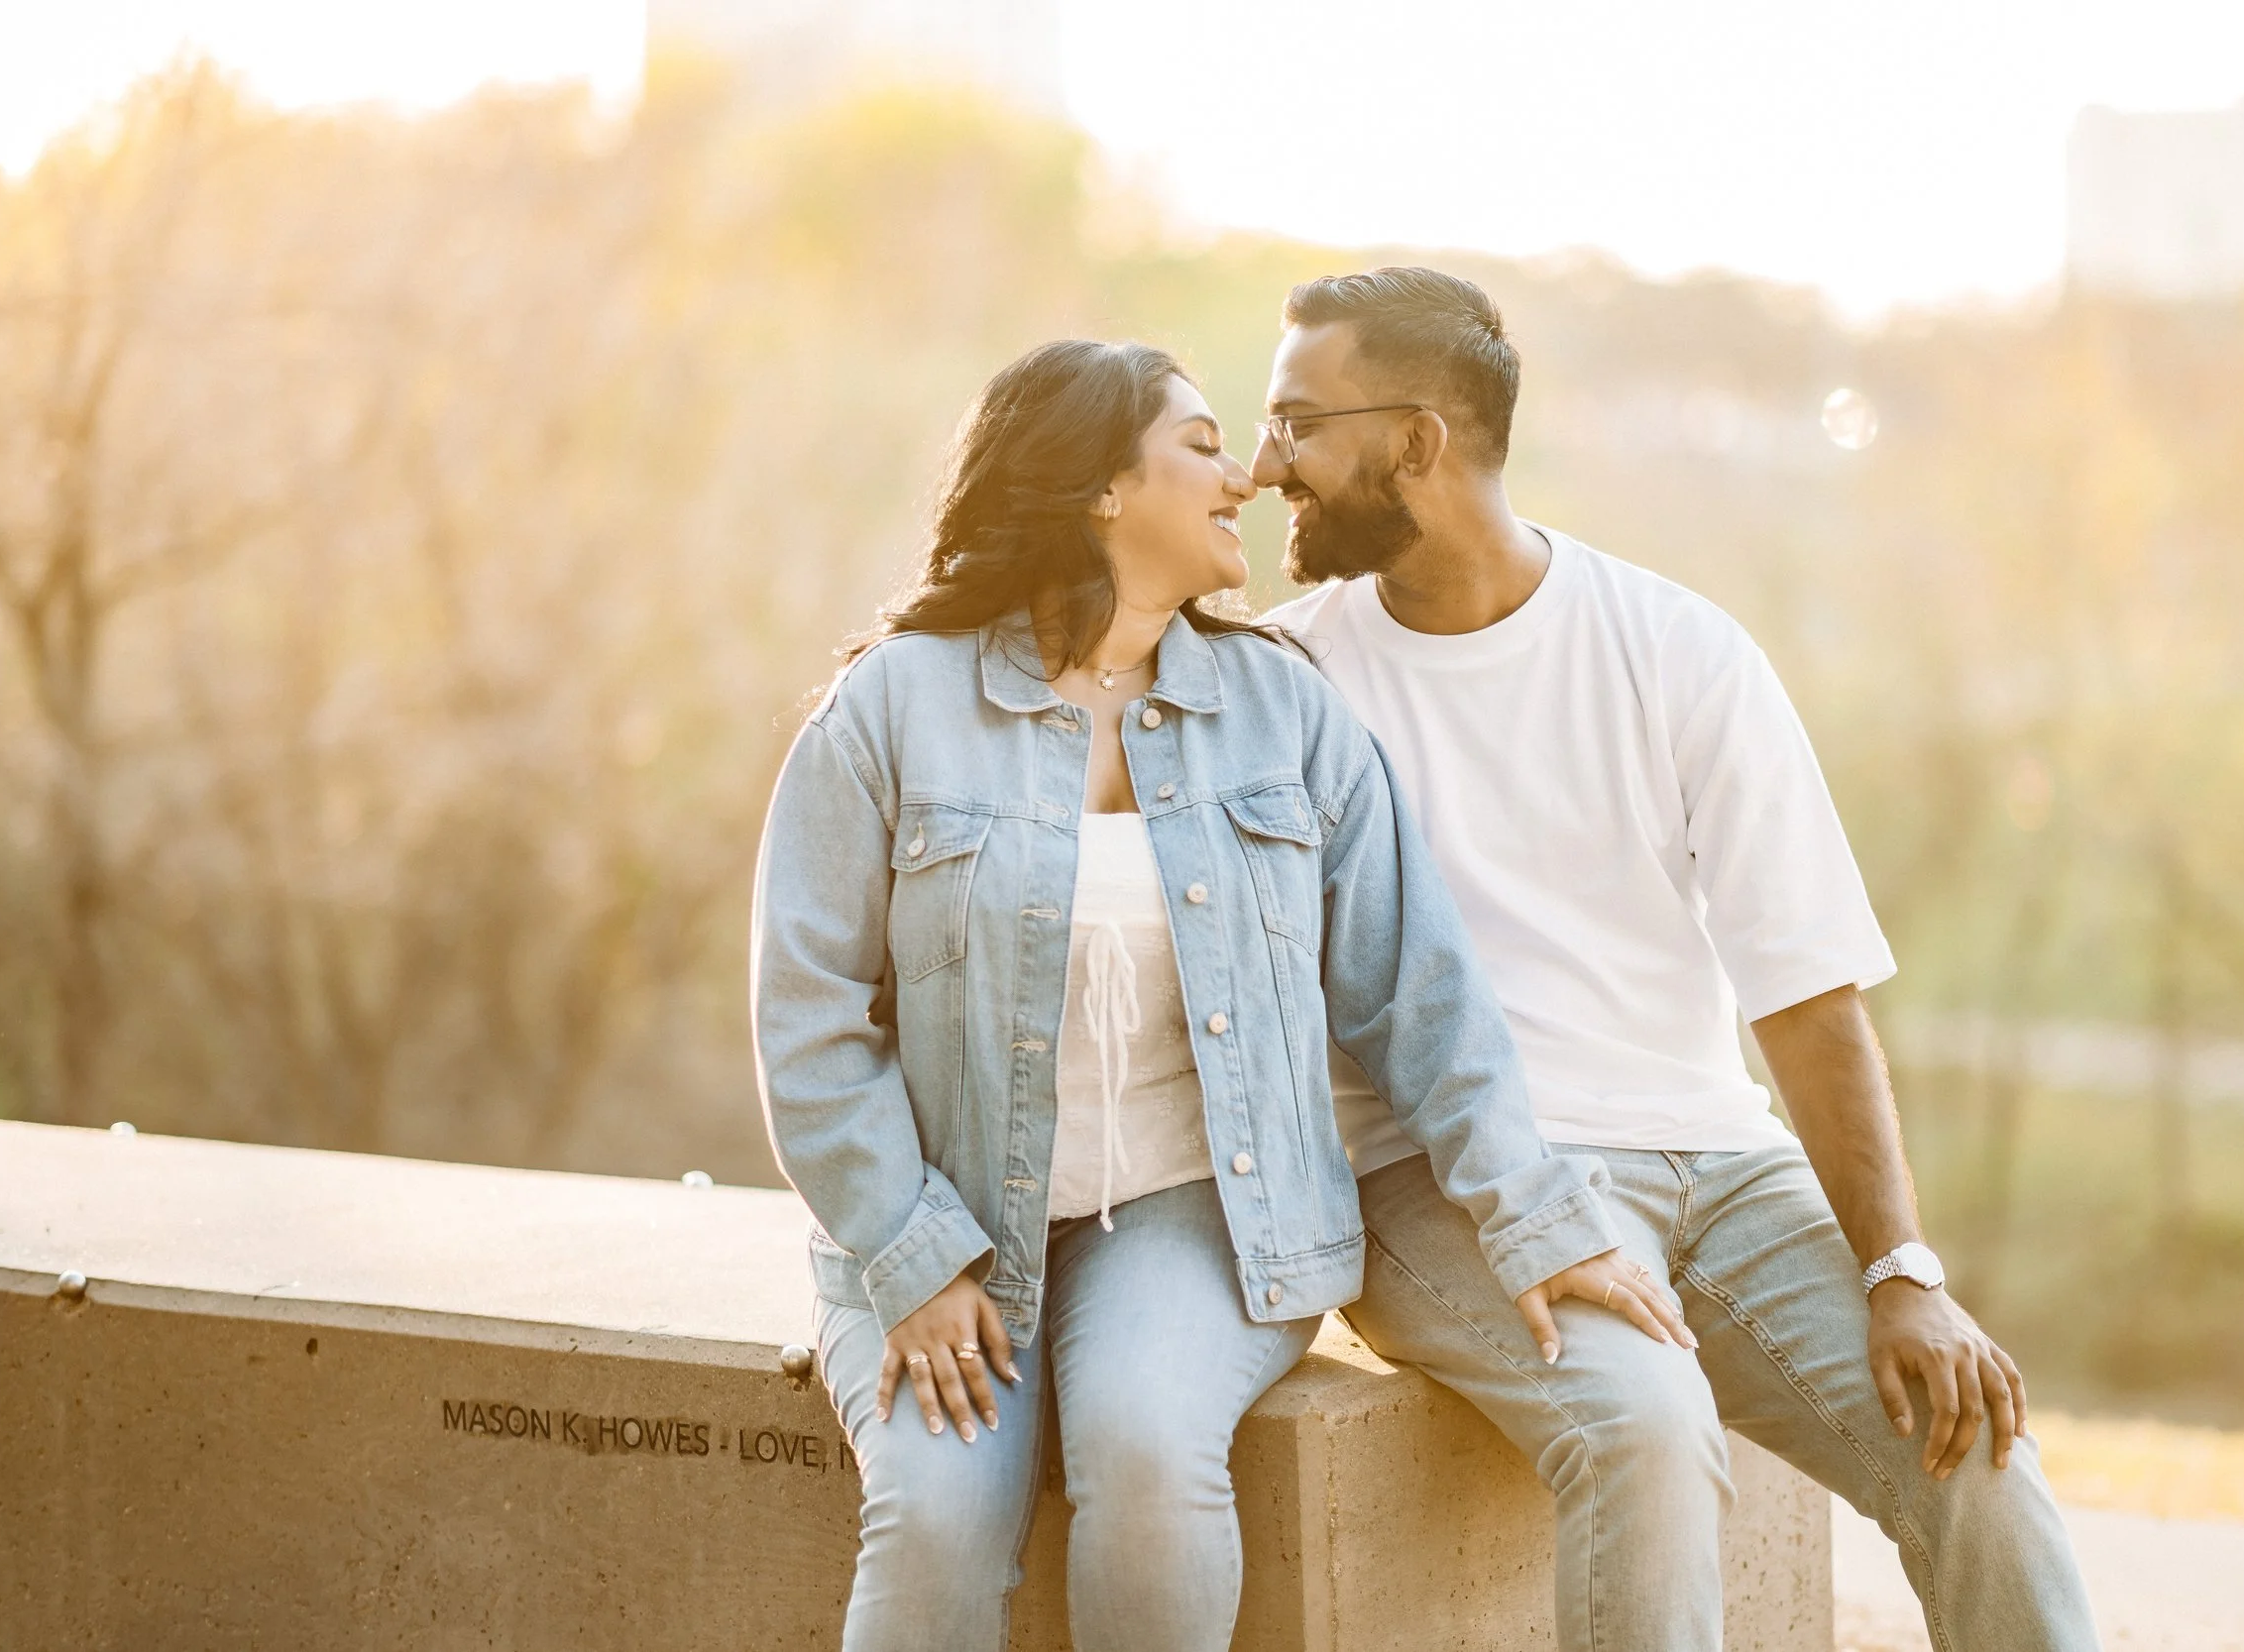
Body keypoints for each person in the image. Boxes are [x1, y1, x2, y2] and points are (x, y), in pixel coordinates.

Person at [750, 339, 1682, 1652]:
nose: (1240, 472)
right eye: (1198, 445)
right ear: (1100, 490)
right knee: (938, 1513)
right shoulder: (892, 706)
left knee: (1146, 1447)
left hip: (1201, 1214)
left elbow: (1418, 995)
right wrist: (909, 1255)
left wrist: (1540, 1218)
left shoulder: (1282, 712)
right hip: (944, 1211)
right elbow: (807, 1012)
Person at [1255, 268, 2101, 1652]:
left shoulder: (1679, 651)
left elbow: (1807, 995)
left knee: (1978, 1451)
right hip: (1448, 1177)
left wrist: (1901, 1268)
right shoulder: (1287, 683)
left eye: (1298, 422)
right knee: (1645, 1429)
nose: (1265, 459)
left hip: (1721, 1164)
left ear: (1418, 441)